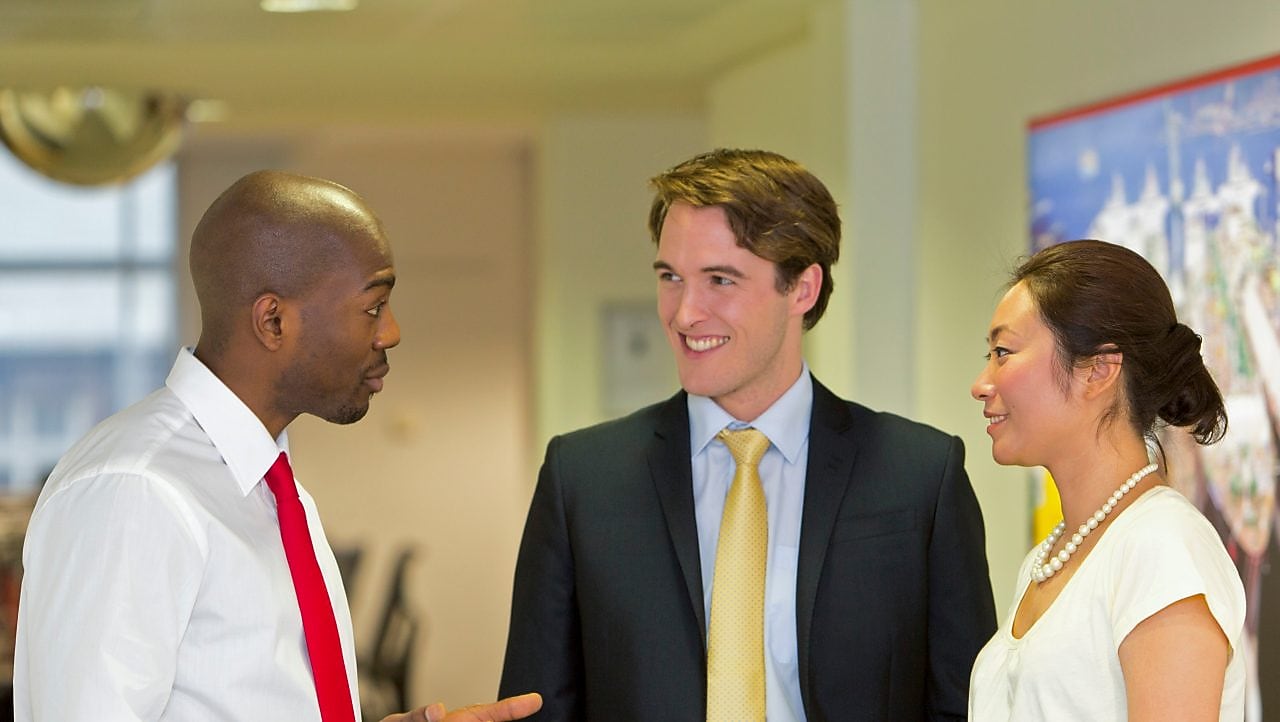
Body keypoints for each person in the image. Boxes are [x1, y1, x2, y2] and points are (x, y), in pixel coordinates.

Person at [13, 170, 540, 722]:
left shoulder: (267, 487)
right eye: (373, 307)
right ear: (273, 321)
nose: (391, 332)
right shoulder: (136, 490)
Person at [499, 148, 997, 721]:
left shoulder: (919, 476)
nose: (685, 313)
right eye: (671, 277)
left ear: (802, 289)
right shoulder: (583, 480)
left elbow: (966, 707)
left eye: (720, 280)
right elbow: (534, 708)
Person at [967, 239, 1247, 720]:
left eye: (1003, 352)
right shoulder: (1045, 560)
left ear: (1098, 370)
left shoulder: (1162, 546)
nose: (981, 384)